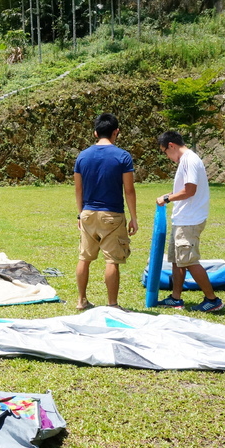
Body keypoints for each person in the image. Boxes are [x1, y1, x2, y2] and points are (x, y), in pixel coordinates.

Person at [73, 113, 139, 310]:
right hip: (112, 215)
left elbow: (78, 189)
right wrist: (134, 218)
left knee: (84, 258)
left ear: (95, 132)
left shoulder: (82, 156)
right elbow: (129, 189)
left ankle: (81, 300)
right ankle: (112, 305)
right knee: (112, 260)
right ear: (116, 132)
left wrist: (80, 213)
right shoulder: (122, 156)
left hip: (88, 213)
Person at [155, 130, 225, 312]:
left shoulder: (189, 160)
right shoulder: (187, 160)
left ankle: (212, 300)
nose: (167, 156)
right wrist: (169, 196)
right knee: (178, 260)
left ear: (171, 146)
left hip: (190, 219)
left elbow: (190, 190)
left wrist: (168, 198)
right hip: (183, 218)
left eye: (165, 152)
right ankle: (176, 298)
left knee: (190, 260)